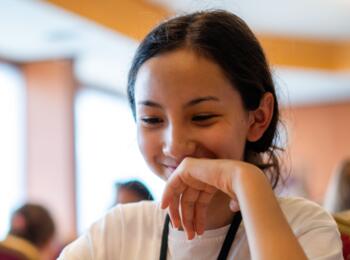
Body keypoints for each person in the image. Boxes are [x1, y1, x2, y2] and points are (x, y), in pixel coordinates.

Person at [59, 10, 342, 259]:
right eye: (152, 119)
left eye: (202, 117)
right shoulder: (117, 231)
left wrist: (248, 182)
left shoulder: (303, 225)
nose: (175, 144)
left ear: (258, 118)